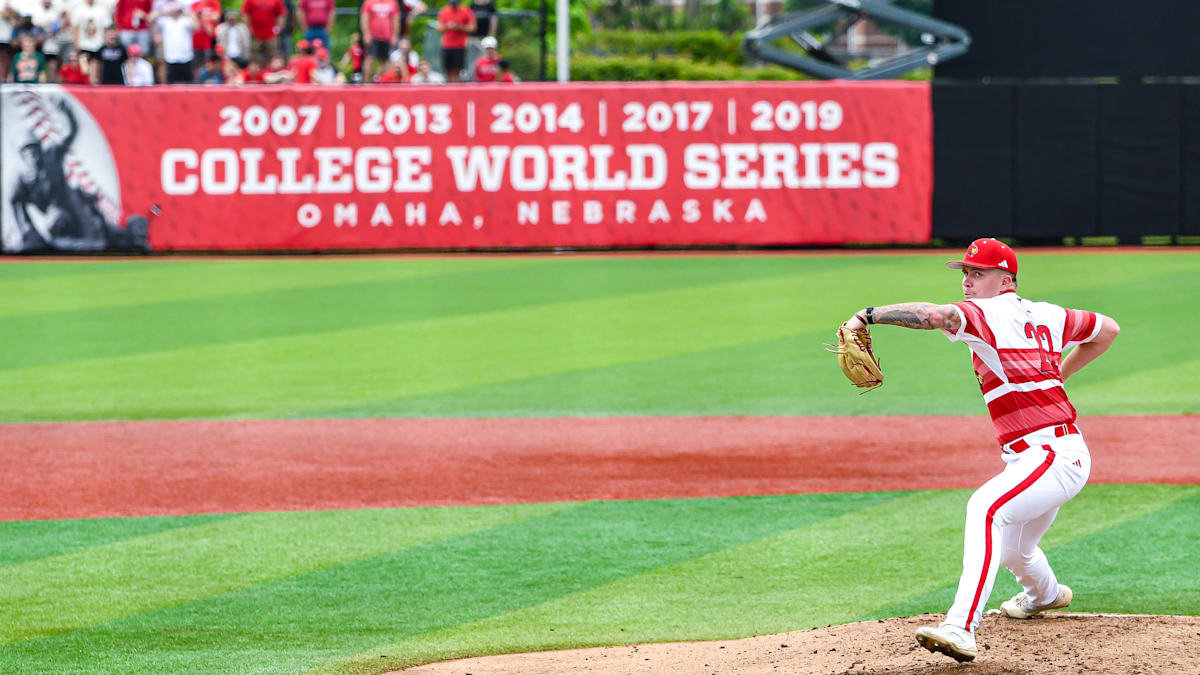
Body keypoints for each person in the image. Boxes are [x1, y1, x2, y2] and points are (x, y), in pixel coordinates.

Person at [838, 238, 1120, 664]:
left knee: (985, 509)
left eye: (978, 273)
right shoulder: (1049, 314)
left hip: (1051, 455)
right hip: (1050, 453)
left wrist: (868, 315)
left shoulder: (987, 313)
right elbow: (1107, 330)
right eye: (966, 273)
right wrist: (1057, 376)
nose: (967, 282)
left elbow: (936, 315)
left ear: (1006, 280)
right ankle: (1044, 595)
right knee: (1015, 549)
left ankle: (960, 627)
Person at [9, 97, 149, 251]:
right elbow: (16, 205)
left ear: (40, 149)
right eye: (27, 151)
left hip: (75, 206)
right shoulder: (22, 181)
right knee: (61, 225)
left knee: (124, 232)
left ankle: (129, 241)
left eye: (34, 149)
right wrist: (28, 230)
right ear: (22, 155)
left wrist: (68, 114)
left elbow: (70, 133)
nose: (32, 155)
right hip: (59, 223)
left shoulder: (52, 156)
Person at [154, 1, 196, 83]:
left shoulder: (185, 20)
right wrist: (163, 11)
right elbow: (150, 19)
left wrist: (187, 11)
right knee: (171, 85)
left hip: (186, 57)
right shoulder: (165, 21)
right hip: (171, 58)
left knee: (189, 84)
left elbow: (196, 26)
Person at [358, 0, 397, 82]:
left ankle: (383, 81)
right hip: (373, 36)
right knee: (369, 59)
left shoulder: (392, 2)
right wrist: (366, 34)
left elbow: (395, 19)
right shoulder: (369, 2)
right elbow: (364, 18)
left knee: (385, 61)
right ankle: (365, 82)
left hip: (387, 36)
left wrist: (394, 35)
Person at [434, 0, 473, 82]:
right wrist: (448, 26)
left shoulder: (465, 11)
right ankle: (449, 88)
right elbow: (438, 28)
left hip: (459, 45)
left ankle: (456, 88)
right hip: (446, 45)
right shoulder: (444, 11)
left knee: (457, 71)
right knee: (447, 71)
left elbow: (472, 27)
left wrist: (460, 27)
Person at [72, 0, 110, 70]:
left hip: (99, 45)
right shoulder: (79, 9)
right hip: (84, 45)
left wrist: (106, 43)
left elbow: (106, 28)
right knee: (85, 70)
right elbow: (75, 27)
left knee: (96, 70)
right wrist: (76, 43)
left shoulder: (102, 9)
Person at [190, 0, 222, 66]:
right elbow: (191, 18)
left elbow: (216, 17)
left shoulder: (213, 2)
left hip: (208, 43)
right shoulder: (195, 4)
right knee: (195, 65)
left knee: (207, 64)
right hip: (195, 42)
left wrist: (202, 17)